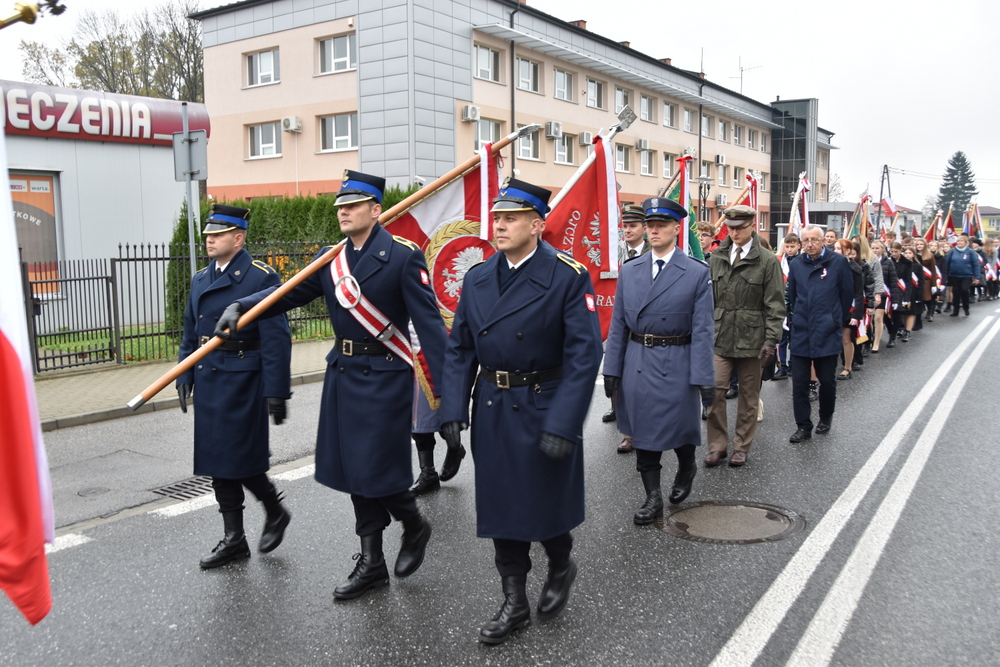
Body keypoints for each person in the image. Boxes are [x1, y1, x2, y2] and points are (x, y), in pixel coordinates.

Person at [214, 171, 454, 600]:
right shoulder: (332, 259)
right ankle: (372, 562)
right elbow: (285, 293)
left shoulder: (403, 256)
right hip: (343, 374)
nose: (343, 212)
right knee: (353, 471)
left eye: (353, 205)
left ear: (375, 209)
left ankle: (414, 523)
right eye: (340, 206)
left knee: (375, 470)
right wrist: (241, 304)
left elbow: (432, 331)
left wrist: (448, 402)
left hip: (386, 375)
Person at [440, 178, 602, 645]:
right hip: (493, 405)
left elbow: (584, 355)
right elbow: (460, 349)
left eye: (510, 218)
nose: (499, 226)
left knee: (545, 503)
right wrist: (452, 409)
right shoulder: (477, 277)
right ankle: (514, 601)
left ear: (536, 225)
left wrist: (565, 421)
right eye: (497, 218)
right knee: (502, 506)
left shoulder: (567, 276)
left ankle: (561, 563)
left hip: (543, 403)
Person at [176, 204, 293, 569]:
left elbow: (277, 338)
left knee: (240, 458)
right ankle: (234, 539)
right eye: (208, 235)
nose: (209, 240)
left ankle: (274, 509)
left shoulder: (260, 278)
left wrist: (277, 390)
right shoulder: (200, 279)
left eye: (218, 234)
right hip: (209, 377)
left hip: (244, 378)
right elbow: (190, 331)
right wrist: (184, 373)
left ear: (238, 238)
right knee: (217, 460)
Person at [604, 197, 714, 521]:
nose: (653, 230)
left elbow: (703, 329)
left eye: (661, 225)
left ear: (676, 229)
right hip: (639, 357)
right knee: (643, 430)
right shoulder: (630, 270)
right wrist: (611, 368)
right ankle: (652, 497)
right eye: (650, 225)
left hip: (677, 357)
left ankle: (687, 465)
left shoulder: (695, 272)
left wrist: (704, 378)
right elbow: (619, 324)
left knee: (680, 426)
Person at [704, 205, 784, 467]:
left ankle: (741, 446)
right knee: (714, 392)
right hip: (720, 336)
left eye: (740, 228)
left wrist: (771, 341)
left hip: (753, 339)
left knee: (749, 396)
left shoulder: (767, 260)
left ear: (752, 226)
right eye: (730, 228)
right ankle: (717, 446)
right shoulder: (717, 257)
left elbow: (775, 305)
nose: (734, 233)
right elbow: (707, 301)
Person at [786, 226, 853, 443]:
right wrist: (798, 319)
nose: (810, 244)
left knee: (827, 380)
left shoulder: (838, 262)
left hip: (827, 330)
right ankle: (803, 426)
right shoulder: (797, 264)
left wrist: (834, 320)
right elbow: (793, 296)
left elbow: (846, 294)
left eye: (814, 240)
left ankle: (825, 417)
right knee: (799, 383)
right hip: (802, 330)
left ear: (823, 241)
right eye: (806, 240)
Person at [607, 204, 650, 428]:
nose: (627, 230)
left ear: (644, 228)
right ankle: (616, 407)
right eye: (625, 226)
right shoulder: (615, 250)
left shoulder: (652, 252)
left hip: (642, 317)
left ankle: (639, 415)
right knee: (616, 362)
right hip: (617, 312)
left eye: (633, 226)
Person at [833, 239, 863, 379]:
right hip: (833, 306)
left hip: (848, 307)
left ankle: (848, 367)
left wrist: (856, 314)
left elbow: (858, 293)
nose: (836, 251)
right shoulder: (830, 265)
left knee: (846, 338)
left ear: (848, 251)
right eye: (835, 248)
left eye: (839, 248)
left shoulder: (855, 269)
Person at [773, 233, 801, 380]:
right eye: (787, 246)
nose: (789, 249)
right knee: (781, 338)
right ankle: (781, 366)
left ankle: (793, 364)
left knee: (795, 338)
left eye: (792, 246)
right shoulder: (780, 261)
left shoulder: (801, 262)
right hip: (781, 304)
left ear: (798, 246)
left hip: (795, 306)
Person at [871, 239, 899, 352]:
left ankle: (876, 343)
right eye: (872, 248)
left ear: (882, 249)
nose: (874, 250)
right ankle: (871, 338)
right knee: (870, 319)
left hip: (883, 293)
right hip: (870, 293)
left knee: (878, 318)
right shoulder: (868, 260)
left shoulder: (888, 262)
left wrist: (895, 299)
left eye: (877, 248)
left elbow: (893, 280)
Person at [944, 234, 980, 317]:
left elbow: (975, 265)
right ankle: (955, 310)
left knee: (964, 290)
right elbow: (947, 263)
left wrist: (977, 277)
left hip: (966, 275)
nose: (959, 242)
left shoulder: (970, 252)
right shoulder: (952, 251)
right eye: (958, 241)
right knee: (955, 292)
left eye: (961, 241)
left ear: (966, 243)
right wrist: (946, 276)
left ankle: (966, 307)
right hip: (954, 275)